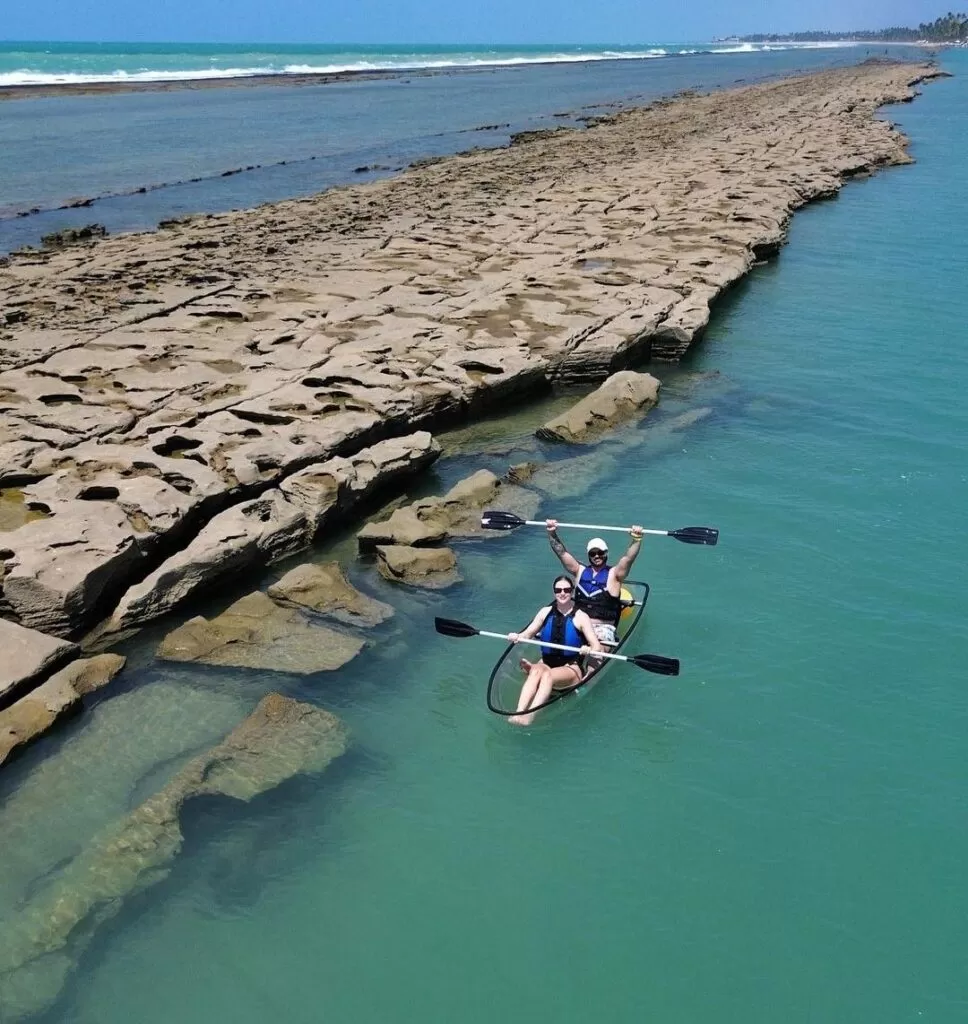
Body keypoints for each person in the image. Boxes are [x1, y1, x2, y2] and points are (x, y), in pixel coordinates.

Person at [506, 575, 602, 726]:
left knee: (547, 675)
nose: (562, 593)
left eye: (566, 590)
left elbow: (597, 646)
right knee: (537, 671)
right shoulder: (545, 612)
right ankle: (519, 712)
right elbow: (528, 633)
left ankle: (529, 716)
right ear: (554, 592)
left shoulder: (581, 617)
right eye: (558, 590)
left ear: (572, 592)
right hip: (546, 662)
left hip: (570, 667)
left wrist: (589, 649)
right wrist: (517, 636)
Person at [546, 518, 644, 650]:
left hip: (602, 629)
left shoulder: (615, 574)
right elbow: (561, 552)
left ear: (606, 553)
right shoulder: (579, 570)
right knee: (556, 651)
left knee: (595, 656)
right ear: (589, 555)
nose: (596, 556)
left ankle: (591, 667)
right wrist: (552, 533)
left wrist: (636, 539)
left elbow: (628, 558)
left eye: (600, 553)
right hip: (577, 623)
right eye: (593, 553)